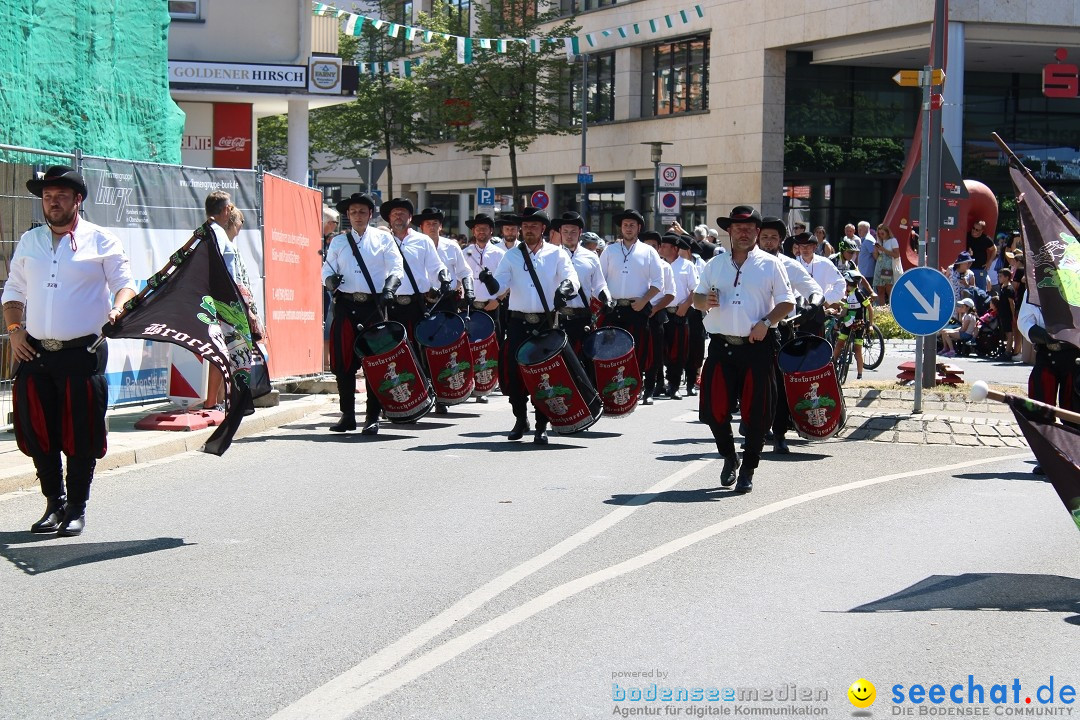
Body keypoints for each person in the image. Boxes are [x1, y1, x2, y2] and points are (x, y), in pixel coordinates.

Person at [3, 165, 137, 536]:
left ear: (78, 199)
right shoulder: (31, 241)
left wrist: (118, 307)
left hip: (83, 351)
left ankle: (77, 506)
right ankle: (53, 504)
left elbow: (125, 285)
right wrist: (15, 331)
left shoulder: (101, 240)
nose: (53, 202)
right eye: (47, 197)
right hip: (35, 351)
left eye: (61, 196)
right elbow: (14, 290)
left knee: (80, 432)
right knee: (39, 431)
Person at [694, 206, 795, 492]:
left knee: (758, 414)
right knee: (714, 411)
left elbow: (787, 303)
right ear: (729, 231)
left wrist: (766, 322)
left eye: (749, 228)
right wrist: (705, 301)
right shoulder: (714, 264)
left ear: (757, 232)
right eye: (738, 228)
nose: (743, 233)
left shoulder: (770, 264)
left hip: (757, 347)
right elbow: (696, 297)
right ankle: (729, 456)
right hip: (721, 346)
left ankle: (749, 468)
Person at [491, 207, 579, 444]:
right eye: (526, 226)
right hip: (519, 322)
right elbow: (500, 285)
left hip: (546, 322)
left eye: (534, 226)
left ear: (543, 229)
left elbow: (572, 278)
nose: (529, 229)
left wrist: (565, 289)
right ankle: (520, 418)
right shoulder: (511, 256)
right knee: (514, 373)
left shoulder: (556, 254)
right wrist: (490, 282)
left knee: (545, 375)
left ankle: (542, 424)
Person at [321, 193, 403, 434]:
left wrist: (390, 287)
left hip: (374, 307)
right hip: (345, 305)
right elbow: (326, 268)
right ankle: (347, 415)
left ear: (370, 214)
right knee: (343, 363)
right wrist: (329, 280)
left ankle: (372, 417)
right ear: (348, 215)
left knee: (375, 364)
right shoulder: (338, 242)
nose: (358, 216)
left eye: (362, 212)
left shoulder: (383, 239)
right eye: (354, 212)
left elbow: (397, 265)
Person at [759, 218, 824, 453]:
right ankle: (754, 428)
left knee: (779, 385)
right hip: (750, 332)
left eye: (773, 237)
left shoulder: (789, 266)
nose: (768, 242)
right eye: (764, 237)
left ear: (782, 241)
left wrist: (812, 306)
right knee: (753, 384)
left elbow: (815, 290)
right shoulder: (745, 264)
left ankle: (779, 434)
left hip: (781, 331)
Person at [203, 191, 255, 411]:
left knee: (224, 353)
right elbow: (229, 276)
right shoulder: (218, 234)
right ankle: (219, 401)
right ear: (225, 210)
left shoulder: (205, 231)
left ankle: (219, 401)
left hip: (213, 301)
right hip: (226, 304)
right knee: (230, 353)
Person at [598, 208, 665, 379]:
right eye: (625, 225)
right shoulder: (609, 251)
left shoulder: (649, 252)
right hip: (613, 310)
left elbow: (659, 283)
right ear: (621, 228)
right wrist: (605, 297)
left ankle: (635, 388)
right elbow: (599, 280)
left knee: (637, 353)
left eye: (632, 225)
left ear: (638, 228)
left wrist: (644, 300)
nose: (628, 228)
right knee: (611, 353)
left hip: (637, 309)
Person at [381, 198, 449, 356]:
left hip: (416, 304)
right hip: (389, 306)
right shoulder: (382, 241)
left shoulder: (423, 240)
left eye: (402, 213)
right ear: (389, 218)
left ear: (410, 217)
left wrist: (444, 278)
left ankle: (424, 380)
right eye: (394, 214)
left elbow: (436, 265)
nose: (398, 216)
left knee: (420, 350)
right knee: (393, 352)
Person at [1018, 297, 1078, 474]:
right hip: (1047, 354)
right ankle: (1047, 457)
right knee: (1040, 407)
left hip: (1074, 356)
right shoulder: (1035, 282)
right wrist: (1041, 335)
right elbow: (1025, 320)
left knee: (1073, 410)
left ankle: (1072, 456)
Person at [557, 212, 611, 360]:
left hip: (583, 319)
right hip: (557, 319)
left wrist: (607, 298)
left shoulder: (591, 257)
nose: (569, 235)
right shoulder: (551, 255)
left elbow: (599, 285)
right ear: (560, 232)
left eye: (573, 232)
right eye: (565, 232)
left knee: (586, 363)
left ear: (580, 233)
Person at [658, 233, 699, 399]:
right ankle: (660, 383)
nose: (661, 249)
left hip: (679, 313)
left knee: (679, 351)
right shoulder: (657, 264)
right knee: (660, 350)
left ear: (675, 249)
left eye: (665, 246)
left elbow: (695, 290)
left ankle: (675, 385)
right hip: (660, 311)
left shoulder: (687, 266)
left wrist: (685, 305)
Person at [463, 212, 506, 365]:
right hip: (470, 306)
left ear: (491, 231)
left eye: (485, 228)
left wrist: (498, 301)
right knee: (470, 343)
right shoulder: (464, 253)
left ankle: (495, 375)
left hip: (491, 306)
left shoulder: (500, 254)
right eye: (478, 228)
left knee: (494, 342)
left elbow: (508, 282)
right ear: (473, 231)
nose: (481, 231)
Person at [640, 231, 675, 404]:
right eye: (647, 245)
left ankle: (650, 390)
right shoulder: (635, 264)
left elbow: (670, 294)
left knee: (654, 355)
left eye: (654, 246)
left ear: (659, 248)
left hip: (655, 315)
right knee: (636, 353)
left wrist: (655, 308)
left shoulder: (665, 266)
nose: (650, 249)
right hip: (636, 314)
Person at [830, 270, 874, 378]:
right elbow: (845, 311)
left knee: (857, 349)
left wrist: (871, 324)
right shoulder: (849, 295)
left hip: (859, 325)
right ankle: (832, 365)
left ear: (849, 283)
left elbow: (870, 309)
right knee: (839, 344)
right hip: (848, 323)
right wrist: (837, 315)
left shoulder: (859, 294)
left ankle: (860, 374)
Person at [794, 231, 846, 304]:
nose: (805, 249)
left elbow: (840, 283)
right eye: (802, 246)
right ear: (799, 247)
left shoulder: (825, 263)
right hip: (797, 307)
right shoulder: (793, 263)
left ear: (814, 247)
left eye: (808, 246)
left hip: (818, 307)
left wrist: (826, 300)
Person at [872, 224, 901, 305]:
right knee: (880, 288)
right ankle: (882, 307)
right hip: (879, 266)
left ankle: (891, 307)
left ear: (887, 232)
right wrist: (876, 250)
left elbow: (896, 255)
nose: (881, 236)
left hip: (888, 267)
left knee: (889, 288)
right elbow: (876, 256)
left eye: (882, 234)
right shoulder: (879, 241)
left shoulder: (893, 240)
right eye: (879, 234)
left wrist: (883, 250)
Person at [966, 219, 995, 293]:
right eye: (973, 228)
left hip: (980, 269)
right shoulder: (967, 236)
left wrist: (990, 261)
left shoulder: (986, 239)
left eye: (977, 230)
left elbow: (994, 249)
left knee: (981, 291)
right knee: (969, 290)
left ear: (982, 231)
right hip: (968, 268)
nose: (974, 231)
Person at [995, 268, 1018, 360]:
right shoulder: (1003, 287)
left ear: (1007, 277)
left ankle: (1008, 352)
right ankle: (1004, 350)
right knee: (1004, 332)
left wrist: (1013, 316)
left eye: (1001, 276)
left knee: (1009, 333)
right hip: (1002, 314)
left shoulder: (1009, 288)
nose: (999, 278)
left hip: (1007, 314)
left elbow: (1011, 303)